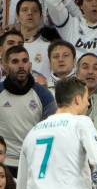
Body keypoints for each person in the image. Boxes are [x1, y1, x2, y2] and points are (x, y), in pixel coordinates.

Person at [0, 45, 56, 175]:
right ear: (5, 66)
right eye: (15, 61)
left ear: (30, 65)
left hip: (33, 162)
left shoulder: (44, 95)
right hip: (3, 164)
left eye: (24, 61)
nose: (21, 66)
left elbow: (51, 131)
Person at [75, 53, 97, 133]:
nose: (90, 72)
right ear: (76, 73)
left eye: (95, 68)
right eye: (85, 67)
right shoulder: (65, 102)